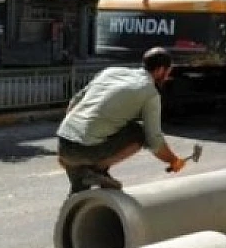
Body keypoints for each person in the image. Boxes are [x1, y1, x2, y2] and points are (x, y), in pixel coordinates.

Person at [55, 47, 188, 195]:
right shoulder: (150, 92)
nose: (168, 76)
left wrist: (74, 135)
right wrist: (173, 160)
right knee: (139, 132)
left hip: (63, 144)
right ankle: (96, 169)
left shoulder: (111, 72)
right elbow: (154, 139)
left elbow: (74, 102)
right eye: (168, 72)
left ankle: (84, 183)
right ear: (161, 70)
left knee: (79, 193)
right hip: (85, 150)